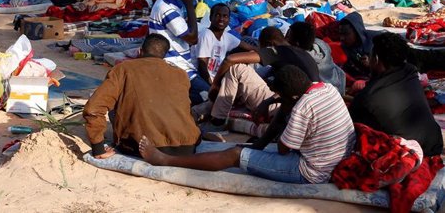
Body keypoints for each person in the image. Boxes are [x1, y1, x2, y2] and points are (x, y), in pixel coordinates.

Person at [139, 65, 355, 185]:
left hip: (311, 172)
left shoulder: (301, 108)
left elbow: (283, 148)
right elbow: (291, 101)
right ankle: (257, 148)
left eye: (282, 96)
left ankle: (165, 160)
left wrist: (285, 110)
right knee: (279, 116)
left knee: (234, 154)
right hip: (336, 160)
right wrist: (272, 101)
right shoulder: (326, 88)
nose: (280, 98)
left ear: (293, 96)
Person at [84, 34, 201, 158]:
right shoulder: (181, 74)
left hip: (142, 147)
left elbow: (93, 109)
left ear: (140, 51)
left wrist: (98, 149)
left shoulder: (123, 69)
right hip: (188, 147)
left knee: (115, 104)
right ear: (164, 56)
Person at [350, 32, 443, 157]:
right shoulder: (410, 71)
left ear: (376, 59)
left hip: (410, 155)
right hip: (433, 142)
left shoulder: (366, 99)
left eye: (371, 56)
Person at [149, 0, 207, 105]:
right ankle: (170, 102)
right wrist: (189, 3)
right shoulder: (166, 8)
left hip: (181, 64)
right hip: (175, 66)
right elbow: (192, 38)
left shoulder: (171, 4)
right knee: (207, 96)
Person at [195, 4, 256, 84]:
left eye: (225, 16)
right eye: (217, 15)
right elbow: (202, 66)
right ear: (210, 17)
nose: (221, 19)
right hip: (202, 78)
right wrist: (212, 86)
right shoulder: (206, 35)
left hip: (216, 78)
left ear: (228, 19)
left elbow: (248, 47)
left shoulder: (226, 37)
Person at [286, 21, 345, 95]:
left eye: (289, 37)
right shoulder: (321, 44)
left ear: (296, 44)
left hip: (326, 93)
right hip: (339, 82)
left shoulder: (300, 60)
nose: (287, 40)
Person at [338, 12, 377, 85]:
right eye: (340, 34)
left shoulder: (375, 40)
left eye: (346, 34)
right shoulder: (345, 46)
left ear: (357, 32)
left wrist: (372, 64)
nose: (342, 38)